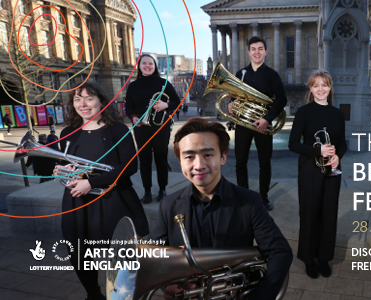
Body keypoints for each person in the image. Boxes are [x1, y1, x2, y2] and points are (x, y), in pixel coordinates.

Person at [151, 118, 292, 300]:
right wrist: (165, 283)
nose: (199, 165)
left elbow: (280, 251)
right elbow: (155, 254)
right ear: (180, 161)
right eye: (189, 157)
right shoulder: (168, 205)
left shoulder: (249, 202)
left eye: (208, 155)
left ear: (223, 157)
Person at [55, 81, 149, 300]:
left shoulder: (117, 129)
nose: (83, 104)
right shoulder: (68, 132)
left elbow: (129, 166)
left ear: (101, 101)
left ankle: (121, 295)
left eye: (89, 98)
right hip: (77, 202)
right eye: (77, 99)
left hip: (111, 199)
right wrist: (63, 170)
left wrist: (92, 182)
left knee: (118, 255)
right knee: (79, 254)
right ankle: (93, 295)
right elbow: (69, 164)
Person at [288, 70, 346, 279]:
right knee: (310, 214)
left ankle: (323, 258)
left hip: (332, 170)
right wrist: (317, 151)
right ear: (311, 89)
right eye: (316, 85)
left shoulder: (337, 113)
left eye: (324, 85)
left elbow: (343, 143)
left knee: (329, 215)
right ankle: (308, 258)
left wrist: (338, 156)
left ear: (330, 88)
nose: (321, 89)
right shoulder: (303, 112)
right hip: (309, 170)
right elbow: (293, 144)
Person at [229, 36, 288, 210]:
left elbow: (282, 99)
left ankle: (263, 197)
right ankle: (244, 196)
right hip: (243, 125)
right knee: (240, 162)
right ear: (249, 52)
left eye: (260, 49)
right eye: (253, 49)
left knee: (265, 163)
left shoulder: (272, 75)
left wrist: (267, 119)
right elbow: (234, 97)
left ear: (265, 52)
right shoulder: (241, 74)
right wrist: (232, 105)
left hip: (263, 125)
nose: (257, 52)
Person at [126, 54, 181, 203]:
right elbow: (129, 107)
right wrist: (133, 118)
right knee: (144, 160)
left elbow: (177, 101)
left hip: (160, 127)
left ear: (155, 66)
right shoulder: (133, 86)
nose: (147, 66)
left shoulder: (163, 83)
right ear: (139, 66)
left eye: (150, 63)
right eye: (144, 63)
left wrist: (165, 105)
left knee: (160, 158)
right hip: (141, 127)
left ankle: (162, 189)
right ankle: (147, 191)